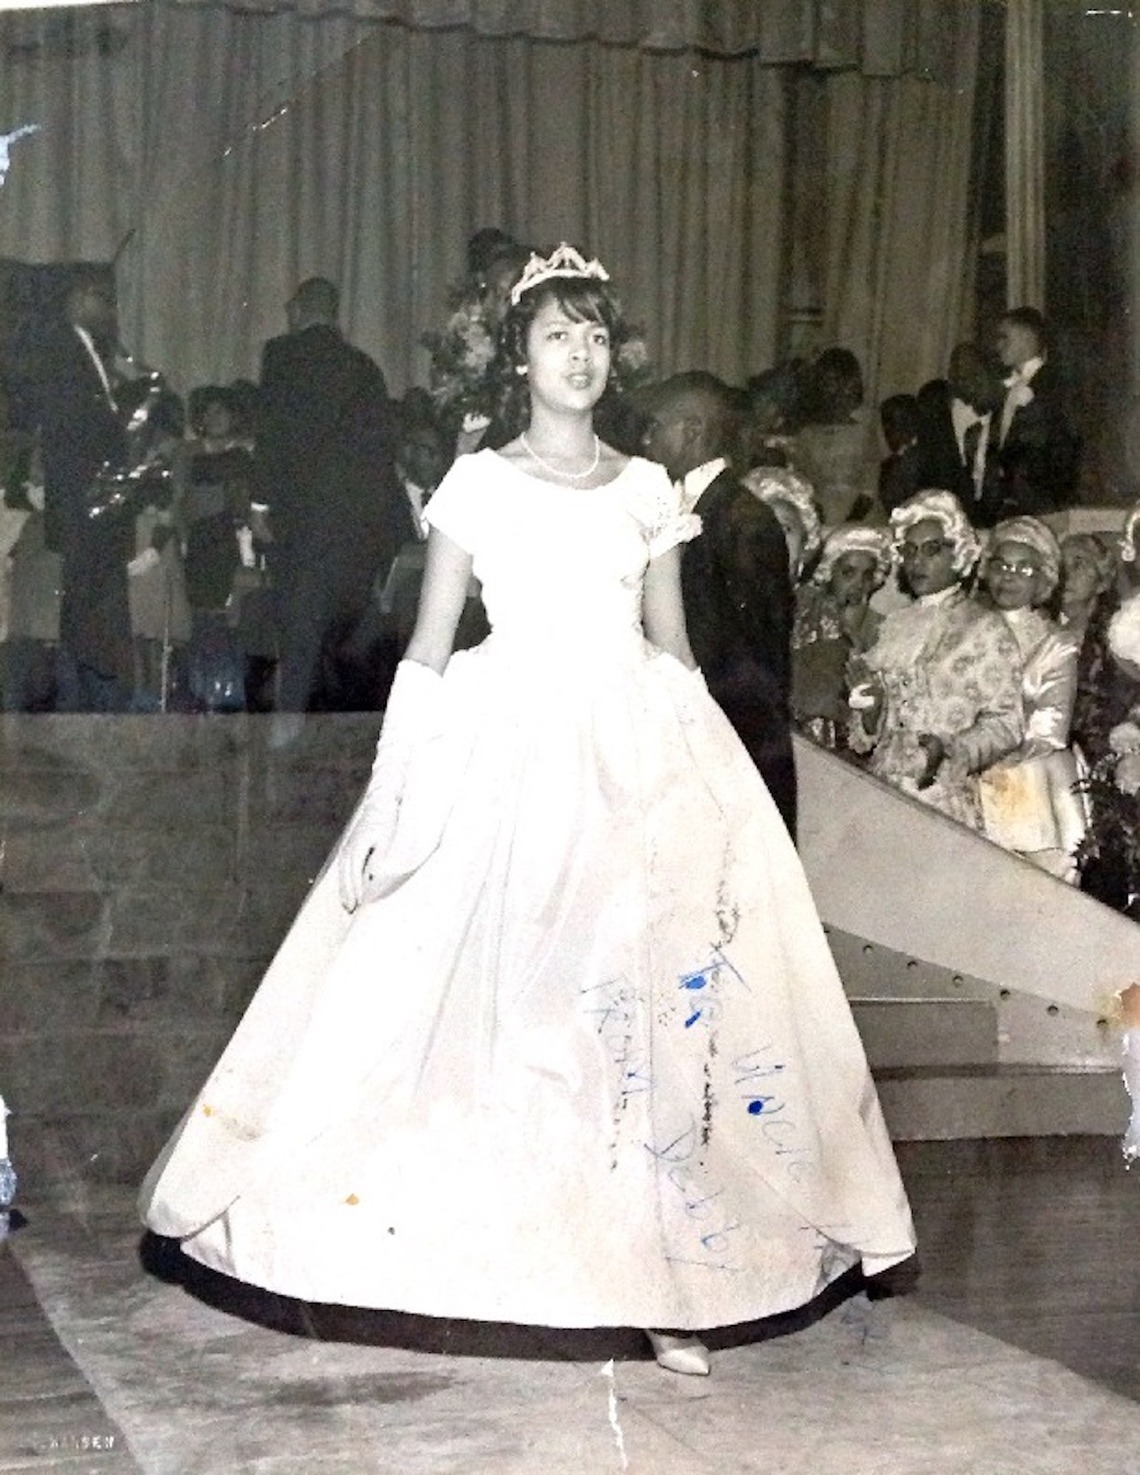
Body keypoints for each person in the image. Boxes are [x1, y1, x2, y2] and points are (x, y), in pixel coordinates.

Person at [140, 244, 915, 1380]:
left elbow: (672, 648)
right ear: (519, 359)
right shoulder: (479, 484)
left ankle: (664, 1285)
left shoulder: (650, 489)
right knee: (518, 1018)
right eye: (558, 335)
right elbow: (431, 643)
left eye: (597, 335)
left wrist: (711, 786)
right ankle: (508, 1261)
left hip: (634, 754)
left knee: (645, 1021)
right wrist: (401, 787)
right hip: (506, 749)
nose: (581, 354)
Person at [642, 370, 799, 837]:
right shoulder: (681, 507)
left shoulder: (744, 520)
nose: (647, 438)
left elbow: (758, 664)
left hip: (733, 750)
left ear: (692, 429)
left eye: (657, 425)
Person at [256, 276, 410, 717]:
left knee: (298, 622)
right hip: (355, 520)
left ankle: (290, 723)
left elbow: (271, 432)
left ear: (299, 310)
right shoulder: (365, 367)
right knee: (343, 626)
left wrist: (259, 504)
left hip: (298, 516)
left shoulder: (281, 355)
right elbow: (381, 448)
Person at [848, 489, 1024, 828]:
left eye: (931, 550)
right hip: (881, 788)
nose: (917, 562)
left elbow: (1007, 723)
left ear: (957, 551)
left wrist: (949, 750)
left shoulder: (985, 627)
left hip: (941, 795)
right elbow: (875, 731)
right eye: (909, 551)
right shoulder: (894, 626)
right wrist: (872, 712)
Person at [26, 272, 132, 709]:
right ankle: (80, 695)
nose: (111, 310)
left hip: (97, 498)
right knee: (84, 596)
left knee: (92, 595)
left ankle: (92, 690)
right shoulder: (61, 350)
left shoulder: (94, 353)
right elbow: (68, 426)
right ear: (79, 299)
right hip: (81, 497)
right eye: (103, 300)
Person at [975, 517, 1085, 881]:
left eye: (1024, 568)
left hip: (1026, 765)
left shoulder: (1055, 644)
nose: (1009, 576)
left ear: (1044, 579)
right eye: (1001, 565)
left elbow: (1050, 727)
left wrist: (982, 751)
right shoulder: (964, 630)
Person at [791, 525, 891, 750]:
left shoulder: (878, 630)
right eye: (848, 572)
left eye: (867, 575)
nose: (858, 584)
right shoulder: (803, 605)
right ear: (829, 570)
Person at [993, 307, 1080, 518]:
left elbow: (1064, 444)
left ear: (1026, 338)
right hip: (1012, 505)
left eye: (1005, 337)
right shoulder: (1004, 386)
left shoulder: (1053, 384)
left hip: (1043, 505)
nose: (998, 345)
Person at [914, 343, 1004, 526]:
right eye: (960, 376)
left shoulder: (1003, 416)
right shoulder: (939, 417)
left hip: (994, 517)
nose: (968, 383)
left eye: (975, 375)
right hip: (949, 517)